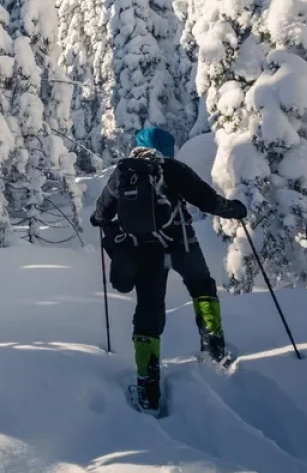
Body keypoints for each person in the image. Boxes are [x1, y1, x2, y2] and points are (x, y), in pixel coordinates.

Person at [91, 127, 247, 413]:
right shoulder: (173, 169)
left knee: (149, 310)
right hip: (181, 244)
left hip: (145, 252)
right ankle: (214, 347)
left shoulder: (124, 173)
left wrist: (103, 221)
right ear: (168, 148)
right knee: (203, 288)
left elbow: (101, 213)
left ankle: (147, 384)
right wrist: (234, 209)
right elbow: (207, 200)